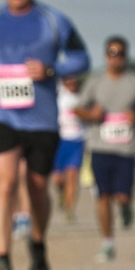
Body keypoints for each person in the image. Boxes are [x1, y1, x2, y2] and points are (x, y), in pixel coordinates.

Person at [0, 0, 90, 270]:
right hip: (2, 115)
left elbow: (82, 58)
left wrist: (53, 70)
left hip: (41, 120)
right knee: (6, 184)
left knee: (37, 188)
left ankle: (38, 246)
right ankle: (2, 259)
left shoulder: (54, 21)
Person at [74, 36, 135, 262]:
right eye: (112, 52)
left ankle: (126, 208)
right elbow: (78, 109)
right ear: (105, 55)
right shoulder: (95, 82)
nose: (116, 58)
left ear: (126, 56)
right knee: (103, 196)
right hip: (100, 147)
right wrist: (91, 115)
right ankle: (108, 242)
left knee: (122, 196)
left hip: (126, 149)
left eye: (121, 53)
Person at [52, 75, 86, 222]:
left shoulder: (83, 98)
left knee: (72, 176)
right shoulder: (58, 96)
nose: (72, 82)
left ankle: (70, 209)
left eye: (74, 79)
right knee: (58, 180)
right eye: (69, 79)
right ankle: (62, 194)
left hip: (77, 141)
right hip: (59, 141)